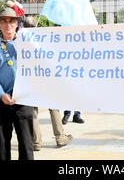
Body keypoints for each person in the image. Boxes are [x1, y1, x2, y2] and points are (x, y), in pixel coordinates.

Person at [0, 7, 34, 160]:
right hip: (1, 100)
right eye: (4, 21)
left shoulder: (27, 45)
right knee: (2, 144)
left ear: (17, 24)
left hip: (24, 99)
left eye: (11, 21)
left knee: (26, 143)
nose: (8, 25)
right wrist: (1, 94)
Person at [22, 16, 73, 150]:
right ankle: (60, 137)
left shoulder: (20, 41)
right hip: (45, 79)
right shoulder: (43, 39)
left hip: (30, 80)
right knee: (53, 107)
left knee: (33, 111)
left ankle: (36, 142)